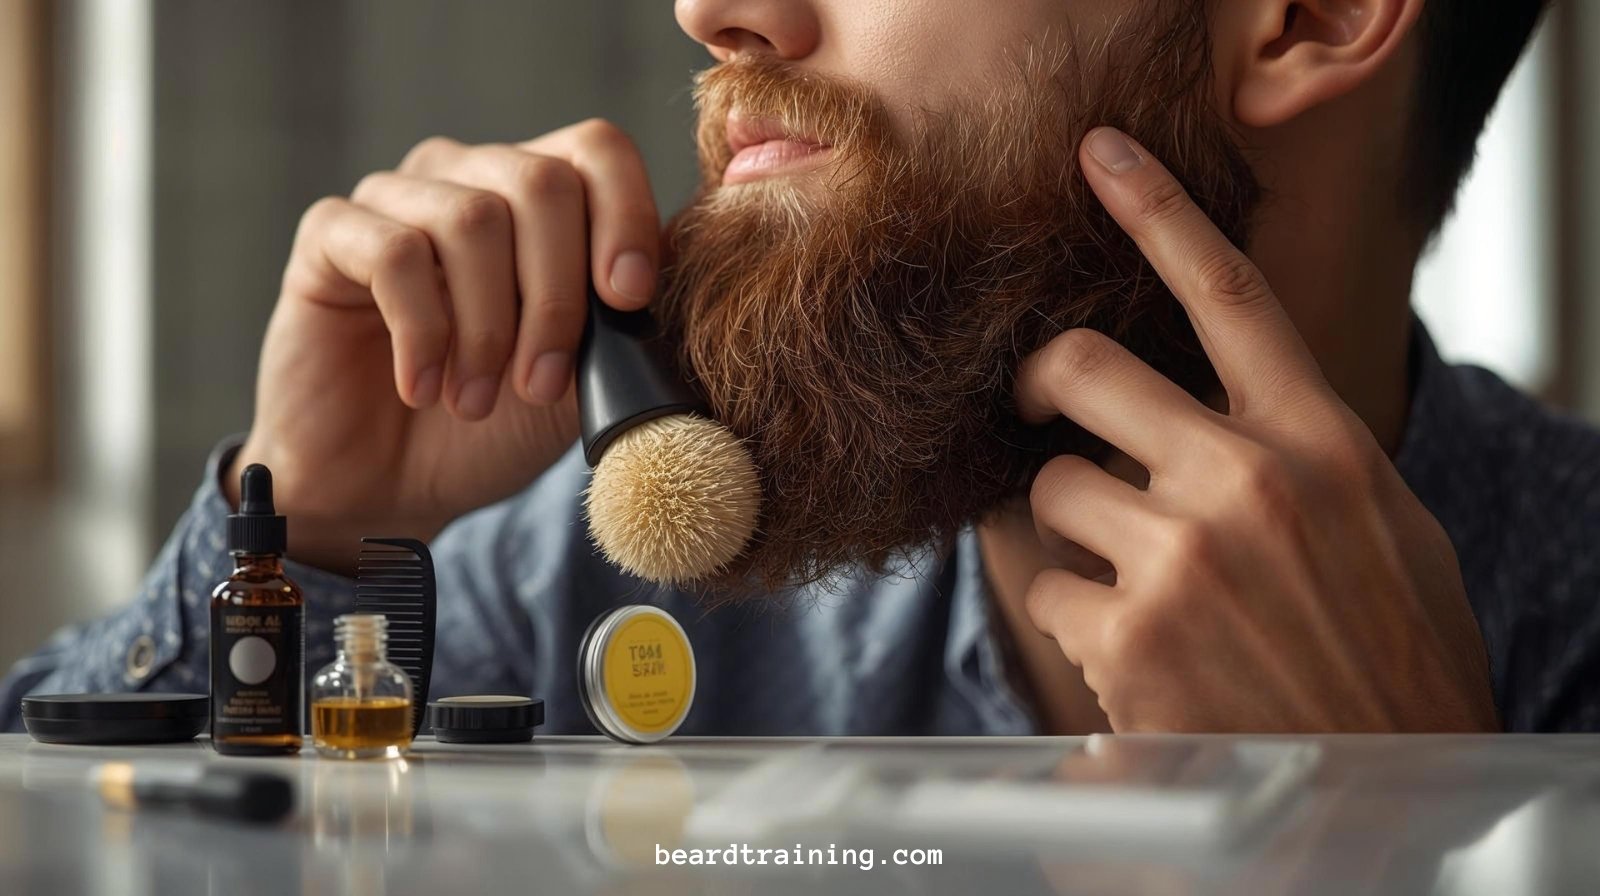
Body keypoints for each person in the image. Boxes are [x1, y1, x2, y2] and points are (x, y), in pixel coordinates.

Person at [4, 0, 1593, 736]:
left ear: (1305, 16)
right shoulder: (590, 586)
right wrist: (309, 548)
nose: (718, 11)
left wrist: (1430, 827)